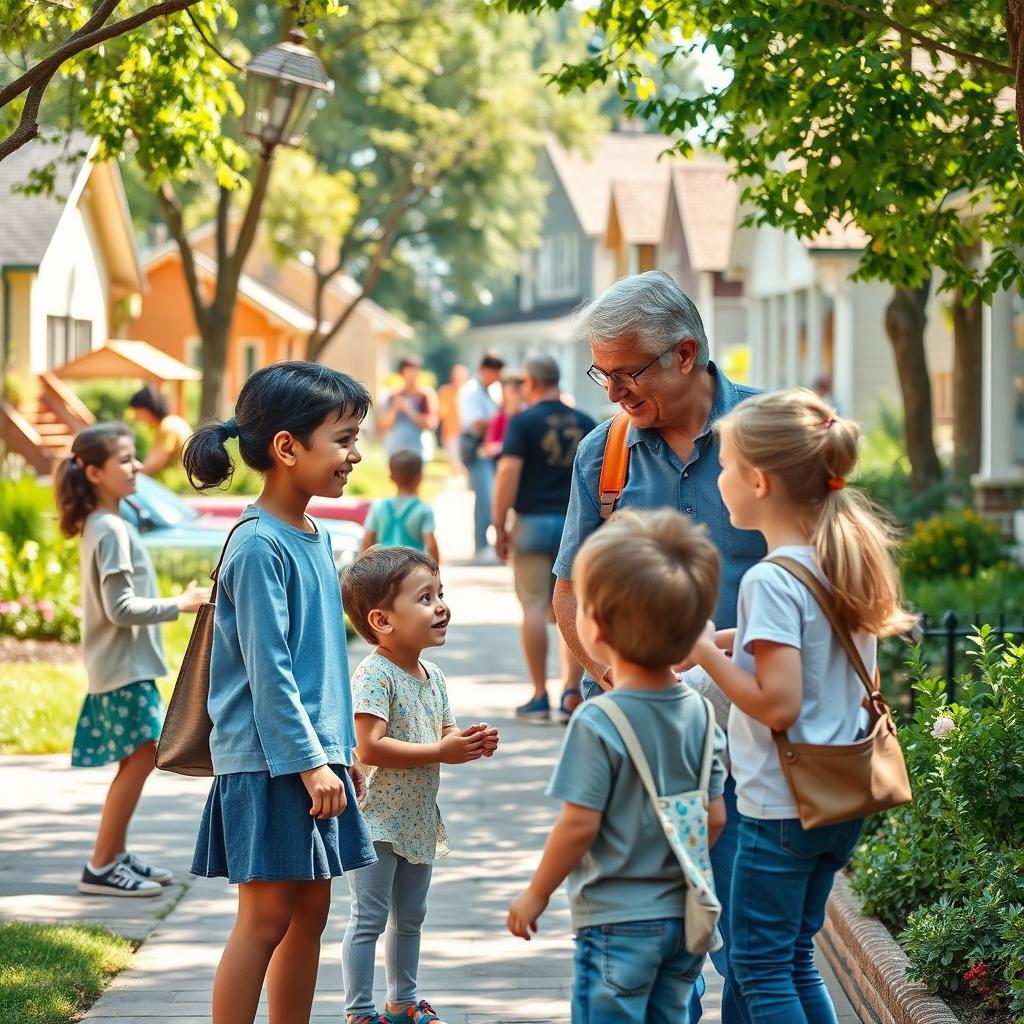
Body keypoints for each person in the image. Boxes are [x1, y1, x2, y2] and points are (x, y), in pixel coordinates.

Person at [552, 270, 764, 1023]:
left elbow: (831, 575)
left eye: (625, 372)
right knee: (656, 944)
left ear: (684, 354)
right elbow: (569, 594)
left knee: (754, 948)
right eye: (600, 373)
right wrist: (624, 683)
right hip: (651, 740)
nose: (611, 391)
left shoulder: (772, 432)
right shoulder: (601, 455)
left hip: (762, 729)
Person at [687, 388, 914, 1024]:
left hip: (779, 808)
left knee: (761, 969)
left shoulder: (769, 579)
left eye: (725, 466)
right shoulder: (839, 560)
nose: (720, 478)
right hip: (837, 797)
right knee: (793, 960)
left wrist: (705, 654)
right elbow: (815, 648)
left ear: (758, 481)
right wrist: (725, 640)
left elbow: (776, 704)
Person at [182, 362, 377, 1024]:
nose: (354, 454)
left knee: (310, 916)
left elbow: (319, 664)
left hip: (312, 757)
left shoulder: (313, 535)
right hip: (272, 762)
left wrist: (342, 749)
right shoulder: (259, 545)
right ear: (288, 447)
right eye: (343, 439)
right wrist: (310, 761)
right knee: (265, 920)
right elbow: (271, 675)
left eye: (356, 438)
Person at [507, 509, 727, 1023]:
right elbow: (714, 817)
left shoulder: (599, 720)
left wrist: (536, 894)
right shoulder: (698, 710)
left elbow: (579, 823)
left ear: (597, 629)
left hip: (617, 922)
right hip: (685, 918)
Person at [341, 546, 499, 1024]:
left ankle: (403, 1002)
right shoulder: (374, 674)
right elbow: (369, 746)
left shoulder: (433, 675)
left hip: (418, 818)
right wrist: (439, 751)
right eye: (425, 598)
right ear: (382, 620)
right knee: (368, 918)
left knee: (411, 916)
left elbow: (442, 733)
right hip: (375, 821)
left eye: (440, 594)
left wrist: (466, 741)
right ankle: (359, 1011)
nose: (441, 606)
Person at [54, 423, 208, 897]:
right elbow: (119, 609)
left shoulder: (107, 525)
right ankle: (102, 865)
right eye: (124, 460)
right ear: (95, 473)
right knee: (140, 760)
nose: (136, 466)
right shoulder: (110, 531)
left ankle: (113, 855)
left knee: (137, 760)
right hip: (125, 670)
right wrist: (180, 605)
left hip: (126, 668)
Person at [491, 355, 596, 722]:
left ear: (531, 383)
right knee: (574, 605)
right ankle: (572, 690)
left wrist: (499, 523)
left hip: (532, 522)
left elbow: (507, 473)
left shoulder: (522, 422)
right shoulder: (585, 421)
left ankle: (538, 695)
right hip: (577, 522)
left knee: (534, 605)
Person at [458, 351, 505, 560]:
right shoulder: (472, 391)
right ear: (486, 370)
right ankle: (481, 545)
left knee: (491, 497)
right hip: (476, 450)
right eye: (495, 373)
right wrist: (499, 421)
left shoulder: (489, 391)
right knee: (485, 498)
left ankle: (484, 544)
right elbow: (477, 423)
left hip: (489, 450)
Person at [361, 450, 440, 564]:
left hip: (384, 569)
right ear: (419, 478)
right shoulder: (423, 509)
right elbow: (431, 546)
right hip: (412, 570)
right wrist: (435, 571)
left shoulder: (379, 507)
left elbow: (367, 542)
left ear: (391, 477)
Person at [377, 356, 438, 463]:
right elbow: (382, 426)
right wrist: (395, 409)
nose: (412, 375)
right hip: (395, 449)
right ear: (402, 372)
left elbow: (431, 423)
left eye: (415, 370)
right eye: (409, 371)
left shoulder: (426, 395)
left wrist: (410, 411)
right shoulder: (392, 395)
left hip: (419, 450)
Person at [128, 385, 192, 480]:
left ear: (148, 409)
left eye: (138, 412)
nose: (137, 417)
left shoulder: (168, 426)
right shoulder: (171, 422)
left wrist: (131, 475)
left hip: (179, 483)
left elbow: (156, 463)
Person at [482, 370, 526, 459]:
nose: (516, 395)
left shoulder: (528, 415)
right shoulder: (500, 417)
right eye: (513, 391)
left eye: (518, 390)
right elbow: (489, 447)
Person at [436, 364, 469, 480]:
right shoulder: (445, 391)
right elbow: (440, 412)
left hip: (466, 433)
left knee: (465, 463)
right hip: (450, 432)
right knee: (454, 461)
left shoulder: (468, 392)